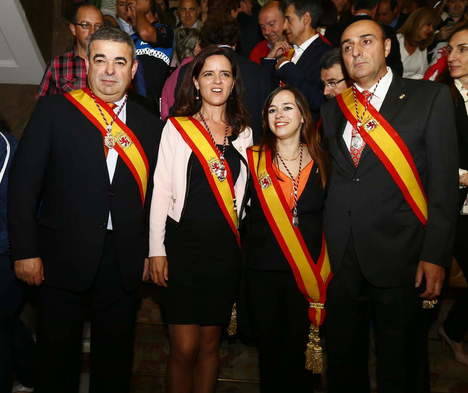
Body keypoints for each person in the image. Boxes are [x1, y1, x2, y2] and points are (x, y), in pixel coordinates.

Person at [8, 27, 162, 393]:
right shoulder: (54, 111)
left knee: (114, 362)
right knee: (56, 360)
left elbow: (156, 194)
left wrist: (150, 250)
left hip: (123, 260)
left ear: (133, 68)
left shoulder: (149, 124)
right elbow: (23, 186)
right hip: (60, 258)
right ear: (87, 64)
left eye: (119, 62)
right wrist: (25, 251)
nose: (110, 71)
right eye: (101, 60)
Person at [321, 19, 458, 393]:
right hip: (342, 256)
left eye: (366, 41)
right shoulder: (334, 109)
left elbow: (444, 186)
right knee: (344, 361)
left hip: (402, 253)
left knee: (402, 363)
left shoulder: (429, 98)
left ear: (387, 47)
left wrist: (435, 255)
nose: (355, 52)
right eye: (347, 46)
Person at [148, 46, 253, 393]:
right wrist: (155, 250)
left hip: (224, 251)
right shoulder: (177, 129)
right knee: (184, 348)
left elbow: (247, 198)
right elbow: (160, 191)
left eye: (225, 74)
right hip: (181, 248)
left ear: (234, 82)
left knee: (210, 346)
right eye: (209, 74)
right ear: (195, 82)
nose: (217, 80)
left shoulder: (245, 133)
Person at [244, 86, 330, 393]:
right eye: (272, 110)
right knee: (270, 354)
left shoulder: (324, 161)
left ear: (304, 115)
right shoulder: (252, 159)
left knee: (301, 355)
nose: (279, 115)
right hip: (263, 272)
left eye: (287, 108)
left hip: (308, 273)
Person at [438, 24, 468, 367]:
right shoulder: (441, 96)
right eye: (450, 49)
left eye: (462, 49)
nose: (453, 57)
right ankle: (453, 330)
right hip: (453, 204)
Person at [263, 0, 331, 118]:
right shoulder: (286, 50)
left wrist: (287, 68)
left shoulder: (326, 54)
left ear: (306, 19)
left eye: (288, 20)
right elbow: (264, 92)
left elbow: (319, 101)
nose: (284, 27)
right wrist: (269, 60)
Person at [37, 3, 104, 96]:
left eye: (98, 26)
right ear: (73, 29)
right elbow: (43, 106)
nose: (92, 31)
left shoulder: (113, 64)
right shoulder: (58, 65)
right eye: (85, 25)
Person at [325, 0, 404, 76]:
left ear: (352, 9)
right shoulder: (386, 31)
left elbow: (329, 64)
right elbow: (396, 68)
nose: (355, 52)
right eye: (348, 48)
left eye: (366, 42)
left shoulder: (334, 30)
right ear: (375, 9)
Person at [127, 0, 174, 113]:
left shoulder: (165, 31)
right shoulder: (131, 38)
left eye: (130, 7)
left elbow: (145, 33)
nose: (128, 14)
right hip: (132, 106)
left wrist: (140, 11)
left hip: (154, 108)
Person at [160, 28, 201, 120]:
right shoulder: (199, 71)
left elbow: (164, 113)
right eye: (201, 44)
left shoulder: (170, 78)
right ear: (196, 48)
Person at [397, 7, 438, 79]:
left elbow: (422, 75)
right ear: (416, 22)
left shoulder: (422, 48)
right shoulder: (396, 40)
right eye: (428, 24)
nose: (431, 29)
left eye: (433, 27)